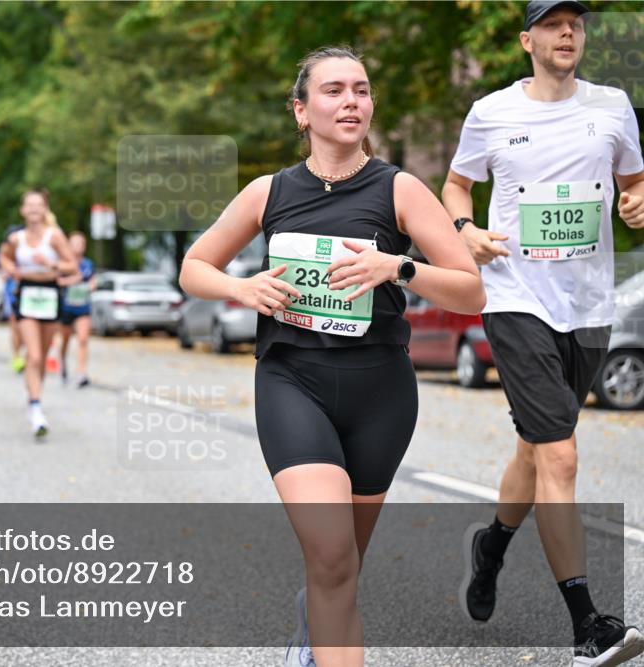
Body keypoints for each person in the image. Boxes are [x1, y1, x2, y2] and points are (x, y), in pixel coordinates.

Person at [179, 46, 484, 667]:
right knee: (334, 557)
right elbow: (194, 268)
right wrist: (241, 287)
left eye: (362, 90)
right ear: (301, 110)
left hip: (381, 393)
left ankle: (312, 630)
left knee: (342, 563)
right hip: (294, 383)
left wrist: (396, 267)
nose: (352, 101)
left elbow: (471, 287)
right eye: (334, 90)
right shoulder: (268, 192)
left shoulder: (400, 188)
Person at [442, 3, 644, 665]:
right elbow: (455, 186)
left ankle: (491, 546)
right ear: (528, 39)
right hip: (515, 298)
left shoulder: (612, 106)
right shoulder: (492, 112)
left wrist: (636, 199)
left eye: (576, 24)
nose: (567, 34)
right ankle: (589, 625)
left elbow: (633, 182)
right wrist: (466, 231)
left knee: (536, 449)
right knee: (560, 455)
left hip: (588, 306)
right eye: (553, 24)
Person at [0, 190, 77, 437]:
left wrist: (50, 264)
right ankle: (35, 407)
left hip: (50, 293)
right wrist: (12, 270)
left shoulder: (54, 236)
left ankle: (35, 396)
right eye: (29, 205)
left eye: (38, 205)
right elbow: (4, 257)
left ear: (45, 209)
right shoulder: (16, 238)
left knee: (42, 357)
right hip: (27, 294)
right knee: (32, 355)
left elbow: (71, 265)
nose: (33, 209)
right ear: (23, 210)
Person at [57, 230, 96, 387]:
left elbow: (93, 281)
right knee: (65, 340)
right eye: (74, 243)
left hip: (82, 307)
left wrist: (91, 286)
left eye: (80, 243)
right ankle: (63, 361)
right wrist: (74, 279)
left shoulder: (87, 264)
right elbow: (57, 281)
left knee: (83, 339)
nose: (77, 246)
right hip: (66, 308)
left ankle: (81, 373)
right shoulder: (63, 263)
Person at [0, 223, 26, 373]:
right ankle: (17, 356)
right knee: (15, 327)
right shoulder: (6, 251)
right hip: (12, 292)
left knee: (25, 328)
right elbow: (2, 270)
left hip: (28, 292)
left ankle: (25, 353)